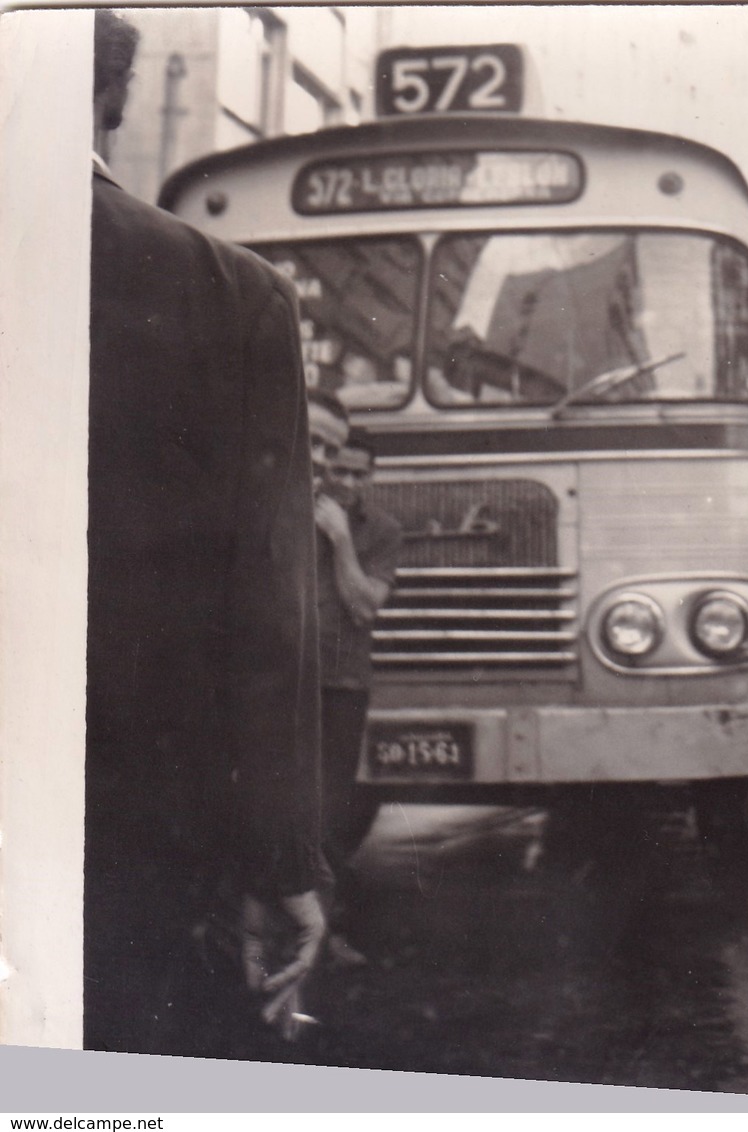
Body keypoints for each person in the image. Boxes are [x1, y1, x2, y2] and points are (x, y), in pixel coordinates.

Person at [86, 9, 326, 1056]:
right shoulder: (229, 295)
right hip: (138, 832)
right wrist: (280, 864)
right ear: (115, 98)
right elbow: (265, 623)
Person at [308, 406, 403, 960]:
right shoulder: (290, 513)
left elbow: (365, 606)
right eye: (338, 470)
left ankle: (324, 930)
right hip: (288, 680)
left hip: (342, 682)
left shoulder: (383, 531)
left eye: (359, 474)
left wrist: (341, 539)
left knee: (331, 809)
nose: (346, 482)